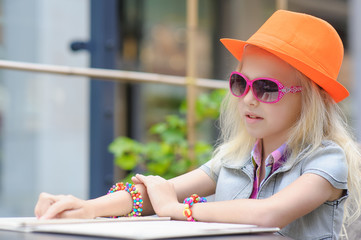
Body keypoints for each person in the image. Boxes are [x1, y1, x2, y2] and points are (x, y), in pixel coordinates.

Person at [34, 10, 361, 239]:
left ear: (312, 100)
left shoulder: (327, 161)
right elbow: (159, 193)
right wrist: (84, 209)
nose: (248, 98)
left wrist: (179, 210)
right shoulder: (233, 159)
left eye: (266, 88)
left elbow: (268, 214)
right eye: (239, 83)